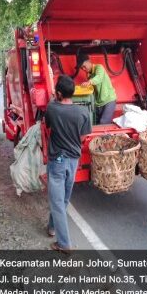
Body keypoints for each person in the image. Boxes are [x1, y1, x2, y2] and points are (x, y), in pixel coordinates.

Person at [45, 75, 92, 254]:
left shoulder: (52, 108)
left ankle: (64, 244)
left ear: (58, 93)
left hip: (57, 161)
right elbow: (82, 138)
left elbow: (48, 126)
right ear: (74, 93)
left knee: (58, 202)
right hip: (73, 161)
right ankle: (51, 227)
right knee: (62, 199)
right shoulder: (83, 113)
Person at [77, 53, 117, 124]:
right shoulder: (89, 75)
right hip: (99, 103)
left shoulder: (99, 67)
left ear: (89, 61)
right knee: (95, 123)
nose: (83, 69)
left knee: (103, 123)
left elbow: (99, 78)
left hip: (109, 100)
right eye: (81, 68)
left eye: (84, 66)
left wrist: (89, 82)